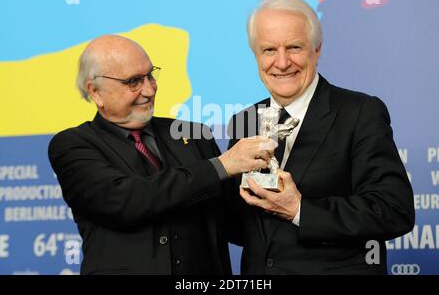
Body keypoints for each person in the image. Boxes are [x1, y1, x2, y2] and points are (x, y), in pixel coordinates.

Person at [48, 35, 274, 275]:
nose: (149, 89)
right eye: (133, 81)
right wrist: (219, 166)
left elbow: (236, 225)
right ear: (95, 92)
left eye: (150, 75)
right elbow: (126, 200)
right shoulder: (73, 145)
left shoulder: (193, 134)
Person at [227, 0, 415, 274]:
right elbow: (245, 227)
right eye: (269, 50)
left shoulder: (361, 112)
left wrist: (300, 210)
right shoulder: (244, 121)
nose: (281, 63)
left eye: (294, 47)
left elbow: (393, 211)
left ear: (316, 50)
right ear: (256, 55)